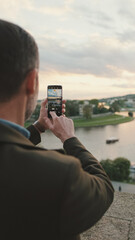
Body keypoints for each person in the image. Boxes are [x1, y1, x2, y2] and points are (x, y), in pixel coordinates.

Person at [0, 19, 114, 240]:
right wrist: (69, 138)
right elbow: (104, 190)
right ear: (32, 81)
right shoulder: (59, 176)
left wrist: (37, 128)